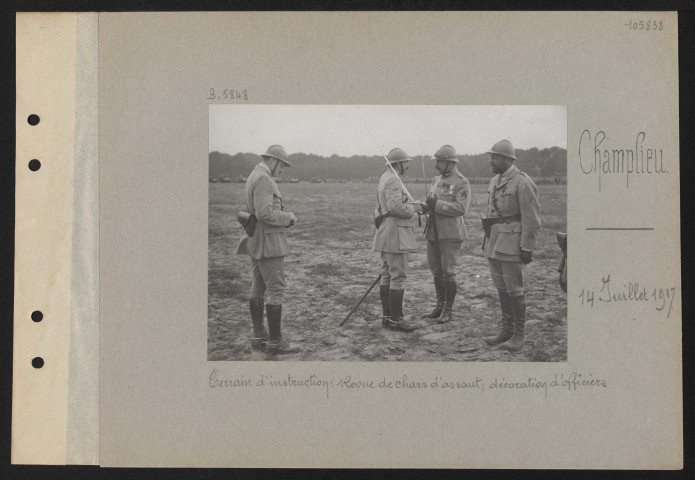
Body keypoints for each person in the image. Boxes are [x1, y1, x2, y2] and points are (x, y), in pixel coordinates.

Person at [235, 145, 300, 355]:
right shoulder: (264, 178)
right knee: (275, 288)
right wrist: (288, 217)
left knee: (258, 285)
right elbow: (264, 213)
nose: (282, 170)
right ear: (273, 161)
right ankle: (274, 342)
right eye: (282, 165)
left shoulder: (254, 175)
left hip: (256, 241)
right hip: (269, 242)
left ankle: (258, 337)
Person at [481, 139, 541, 352]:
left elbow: (532, 219)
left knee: (514, 290)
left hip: (512, 242)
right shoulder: (494, 181)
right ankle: (506, 330)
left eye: (494, 157)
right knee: (501, 288)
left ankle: (519, 335)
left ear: (507, 159)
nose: (490, 161)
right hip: (494, 241)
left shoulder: (522, 182)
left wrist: (527, 247)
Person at [373, 147, 422, 332]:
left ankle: (387, 318)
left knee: (387, 275)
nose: (407, 166)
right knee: (398, 277)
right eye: (406, 163)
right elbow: (396, 208)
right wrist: (415, 208)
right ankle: (396, 320)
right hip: (395, 234)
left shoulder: (384, 177)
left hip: (386, 233)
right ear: (399, 164)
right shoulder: (393, 179)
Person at [420, 145, 470, 323]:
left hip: (450, 234)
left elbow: (461, 208)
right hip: (433, 233)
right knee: (436, 271)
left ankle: (448, 310)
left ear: (450, 163)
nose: (436, 165)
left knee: (448, 273)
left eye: (439, 162)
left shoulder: (461, 182)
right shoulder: (435, 180)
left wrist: (437, 204)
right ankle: (439, 306)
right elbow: (431, 203)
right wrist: (424, 206)